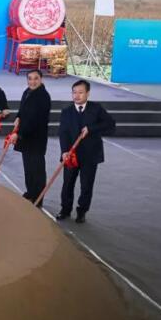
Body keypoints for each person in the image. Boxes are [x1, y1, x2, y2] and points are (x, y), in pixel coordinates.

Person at [56, 79, 116, 223]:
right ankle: (65, 209)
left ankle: (82, 211)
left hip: (90, 155)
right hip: (71, 155)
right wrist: (64, 151)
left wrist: (91, 129)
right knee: (67, 183)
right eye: (74, 92)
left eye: (80, 93)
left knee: (86, 185)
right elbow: (63, 132)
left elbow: (110, 124)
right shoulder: (67, 112)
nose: (77, 96)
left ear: (88, 93)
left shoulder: (96, 109)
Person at [8, 70, 51, 206]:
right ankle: (30, 192)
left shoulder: (43, 97)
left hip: (36, 139)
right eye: (30, 78)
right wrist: (18, 117)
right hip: (26, 138)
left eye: (36, 78)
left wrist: (18, 134)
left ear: (41, 79)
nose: (32, 81)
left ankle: (38, 198)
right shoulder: (27, 92)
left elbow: (34, 121)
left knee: (37, 170)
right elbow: (23, 110)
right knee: (28, 168)